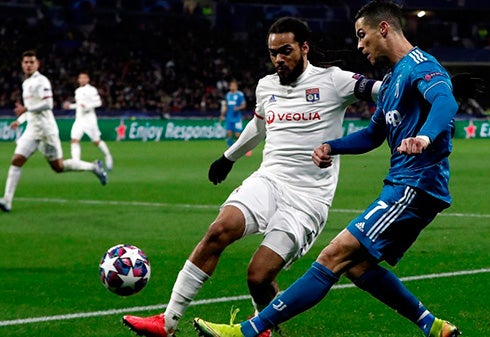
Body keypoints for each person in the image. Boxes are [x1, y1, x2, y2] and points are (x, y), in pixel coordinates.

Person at [193, 1, 462, 337]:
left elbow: (445, 101)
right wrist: (330, 146)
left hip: (416, 184)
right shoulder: (394, 79)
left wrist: (423, 136)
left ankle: (248, 330)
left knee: (333, 255)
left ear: (384, 29)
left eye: (363, 36)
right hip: (402, 184)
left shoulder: (421, 65)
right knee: (357, 265)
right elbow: (372, 135)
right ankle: (433, 326)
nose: (360, 45)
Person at [122, 16, 382, 337]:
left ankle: (264, 328)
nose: (278, 59)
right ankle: (169, 321)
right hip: (268, 181)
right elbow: (259, 125)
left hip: (307, 200)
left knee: (258, 277)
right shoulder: (266, 85)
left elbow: (383, 91)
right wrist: (227, 158)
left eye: (285, 51)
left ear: (304, 48)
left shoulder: (333, 81)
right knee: (219, 230)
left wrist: (425, 97)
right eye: (273, 53)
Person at [0, 50, 107, 213]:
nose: (28, 65)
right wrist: (20, 120)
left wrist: (25, 109)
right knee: (16, 161)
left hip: (46, 130)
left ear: (37, 64)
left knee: (58, 167)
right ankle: (7, 201)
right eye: (26, 62)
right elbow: (30, 110)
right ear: (22, 65)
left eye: (31, 62)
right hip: (32, 130)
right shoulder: (25, 83)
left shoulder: (41, 81)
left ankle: (93, 167)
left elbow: (48, 104)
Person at [63, 71, 114, 171]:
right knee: (74, 140)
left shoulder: (92, 90)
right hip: (79, 119)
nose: (81, 80)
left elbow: (98, 102)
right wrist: (70, 106)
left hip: (90, 119)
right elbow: (79, 105)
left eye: (84, 78)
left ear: (87, 79)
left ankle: (108, 156)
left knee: (96, 141)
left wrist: (88, 106)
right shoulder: (77, 91)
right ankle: (76, 162)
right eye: (80, 78)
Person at [220, 80, 247, 148]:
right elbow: (226, 106)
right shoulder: (228, 95)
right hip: (229, 117)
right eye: (231, 85)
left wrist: (238, 108)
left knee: (237, 134)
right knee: (229, 133)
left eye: (234, 85)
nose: (232, 87)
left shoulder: (240, 94)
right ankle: (230, 147)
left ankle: (242, 146)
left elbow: (244, 105)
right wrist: (222, 115)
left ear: (236, 87)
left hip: (237, 118)